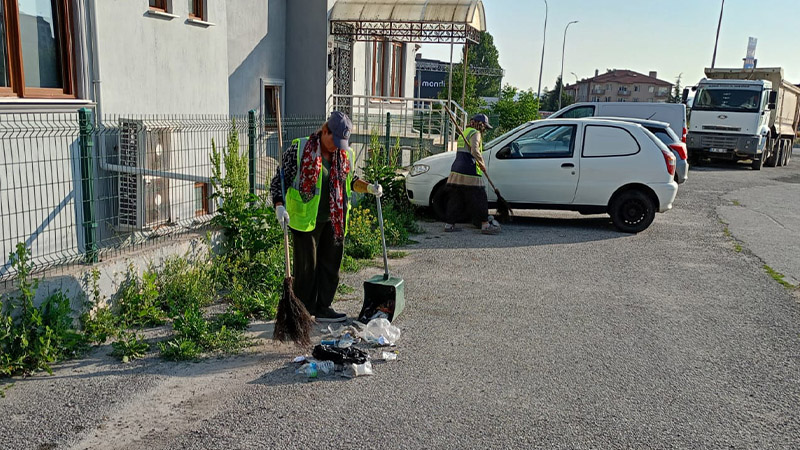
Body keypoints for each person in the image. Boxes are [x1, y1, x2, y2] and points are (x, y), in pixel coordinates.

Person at [270, 111, 383, 322]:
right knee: (306, 270)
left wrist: (369, 188)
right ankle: (303, 312)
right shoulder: (300, 148)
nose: (337, 147)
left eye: (342, 142)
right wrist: (279, 205)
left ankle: (324, 307)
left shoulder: (345, 154)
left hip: (334, 219)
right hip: (305, 219)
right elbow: (280, 179)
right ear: (325, 131)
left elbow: (351, 180)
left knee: (331, 266)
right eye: (335, 140)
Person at [441, 113, 501, 235]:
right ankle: (485, 225)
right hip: (470, 170)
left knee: (456, 199)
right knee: (480, 198)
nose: (484, 129)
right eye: (484, 126)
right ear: (480, 124)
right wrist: (482, 164)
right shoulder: (475, 133)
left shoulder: (465, 132)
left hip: (456, 169)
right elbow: (475, 150)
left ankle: (449, 225)